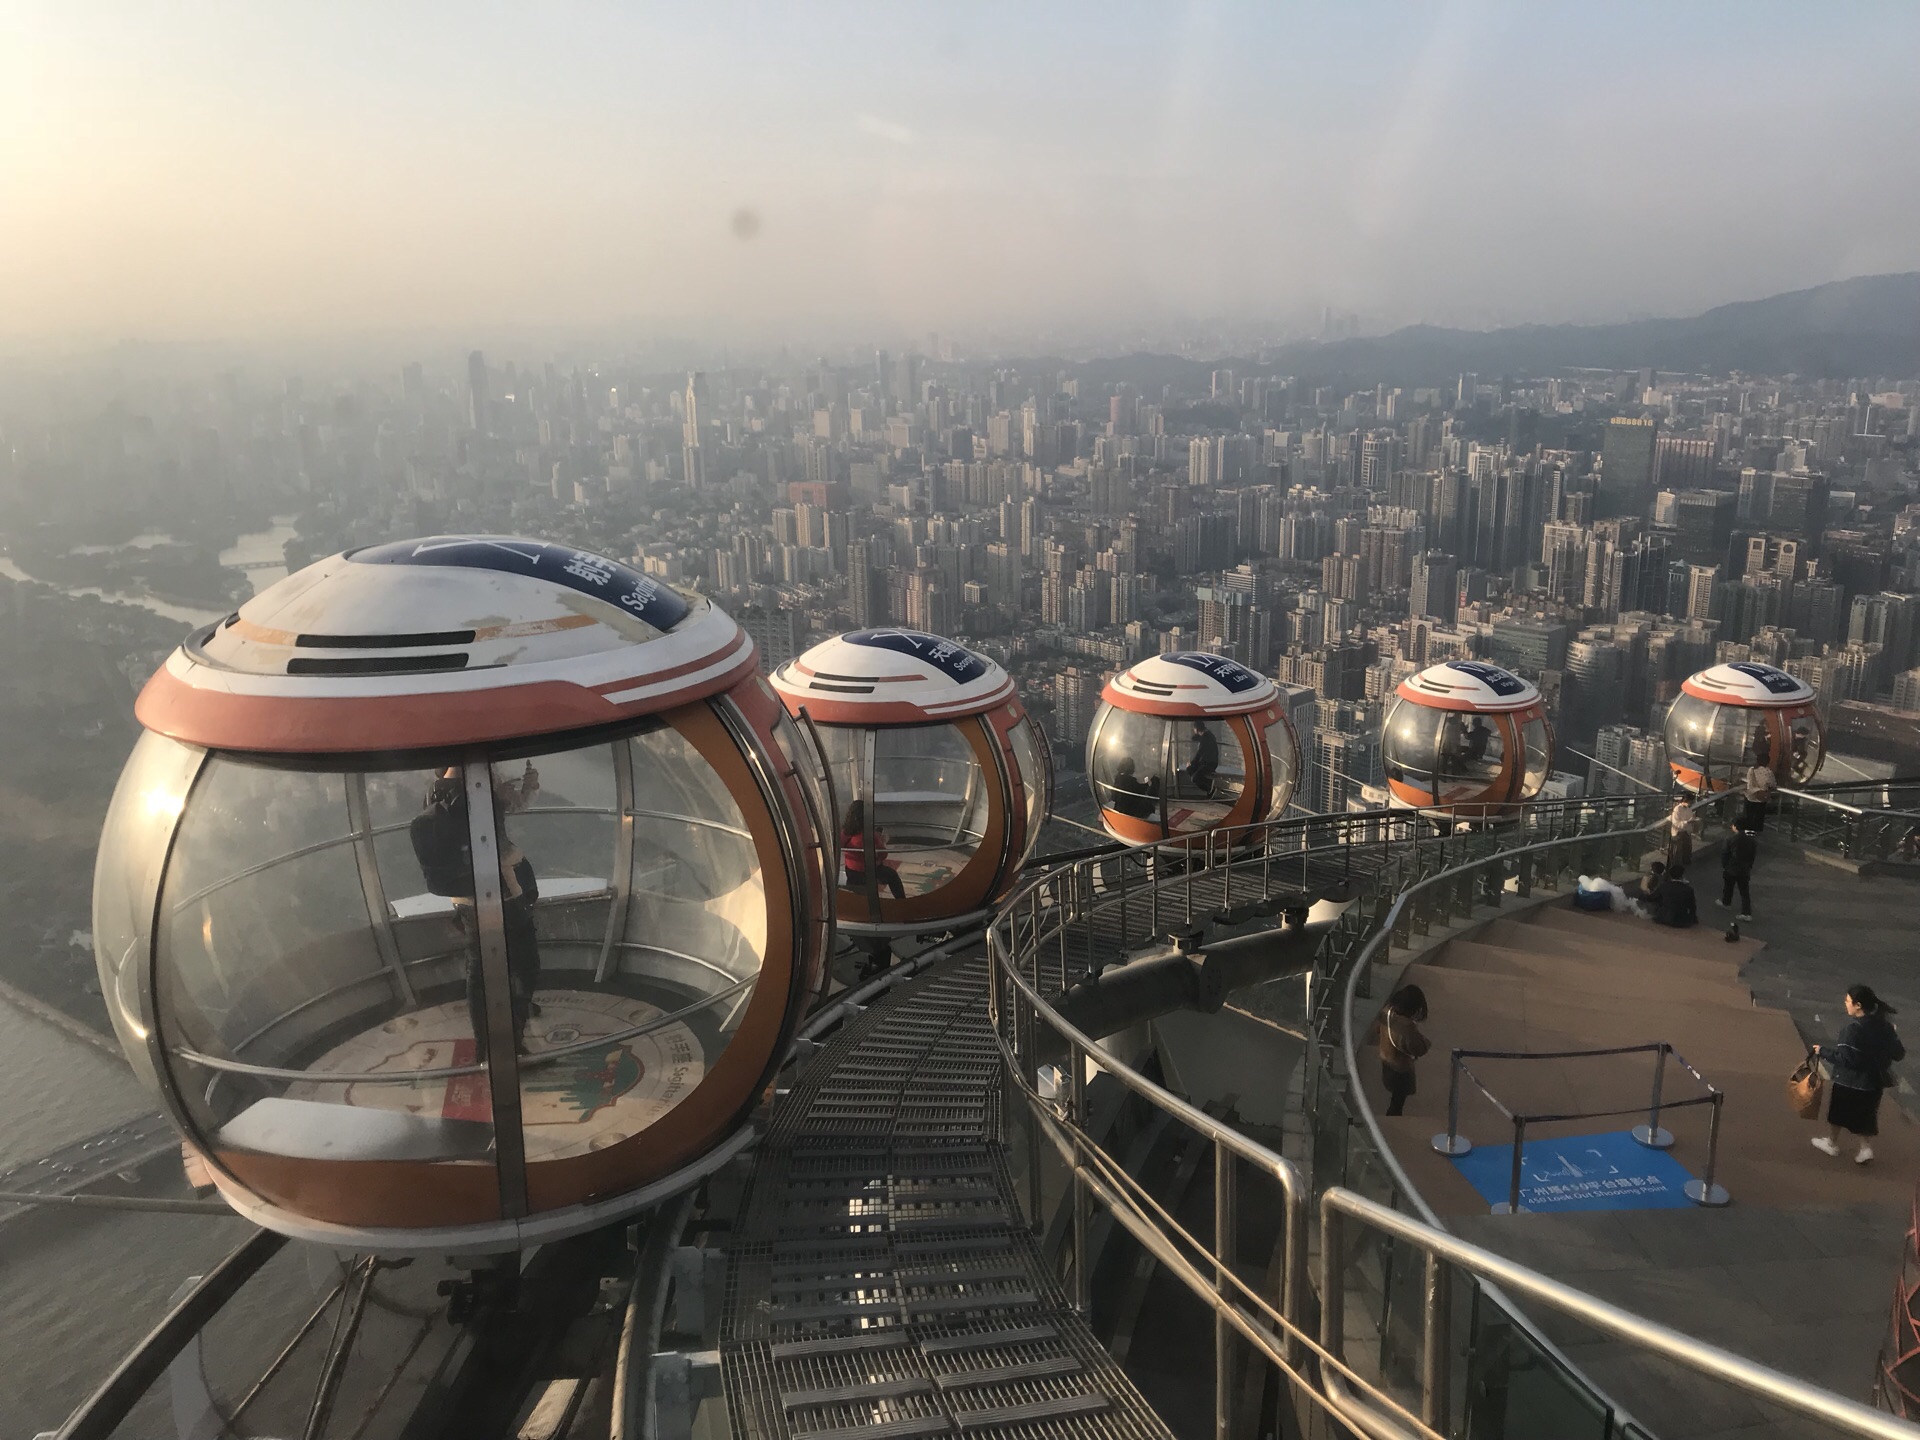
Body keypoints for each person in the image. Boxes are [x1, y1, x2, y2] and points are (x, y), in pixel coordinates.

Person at [1812, 986, 1905, 1164]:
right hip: (1874, 1082)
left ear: (1858, 1005)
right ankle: (1865, 1148)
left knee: (1837, 1113)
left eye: (1848, 1001)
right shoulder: (1886, 1027)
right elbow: (1899, 1054)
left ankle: (1832, 1143)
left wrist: (1822, 1051)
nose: (1845, 1004)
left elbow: (1846, 1059)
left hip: (1849, 1080)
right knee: (1865, 1117)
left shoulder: (1852, 1029)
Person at [1377, 985, 1431, 1117]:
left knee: (1396, 1098)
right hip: (1400, 1068)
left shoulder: (1387, 1013)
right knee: (1398, 1101)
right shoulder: (1407, 1028)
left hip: (1387, 1059)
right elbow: (1418, 1048)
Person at [841, 798, 905, 900]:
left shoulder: (844, 833)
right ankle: (901, 901)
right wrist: (882, 841)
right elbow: (882, 855)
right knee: (892, 876)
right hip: (868, 872)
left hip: (851, 871)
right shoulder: (869, 836)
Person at [1718, 818, 1757, 919]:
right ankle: (1746, 913)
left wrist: (1725, 866)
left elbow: (1725, 854)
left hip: (1732, 868)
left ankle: (1726, 903)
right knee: (1744, 891)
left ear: (1735, 827)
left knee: (1728, 886)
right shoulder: (1751, 841)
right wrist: (1749, 866)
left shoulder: (1730, 839)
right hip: (1744, 869)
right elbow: (1752, 856)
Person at [1648, 861, 1698, 928]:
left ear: (1671, 875)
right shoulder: (1688, 889)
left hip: (1664, 918)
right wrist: (1693, 918)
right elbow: (1692, 906)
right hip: (1681, 920)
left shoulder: (1664, 886)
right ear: (1682, 875)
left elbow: (1652, 898)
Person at [1741, 753, 1777, 833]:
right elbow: (1773, 784)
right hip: (1761, 797)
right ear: (1767, 762)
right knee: (1758, 816)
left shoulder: (1751, 769)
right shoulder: (1768, 772)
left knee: (1748, 815)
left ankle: (1747, 831)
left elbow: (1748, 781)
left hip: (1750, 795)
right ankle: (1755, 832)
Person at [1183, 721, 1220, 796]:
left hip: (1208, 763)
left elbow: (1199, 753)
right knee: (1189, 769)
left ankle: (1210, 789)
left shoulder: (1205, 739)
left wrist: (1192, 763)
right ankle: (1208, 785)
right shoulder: (1208, 735)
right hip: (1207, 762)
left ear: (1196, 729)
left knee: (1194, 778)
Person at [1665, 799, 1697, 871]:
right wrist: (1687, 822)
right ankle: (1675, 865)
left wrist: (1692, 821)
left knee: (1687, 847)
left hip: (1686, 831)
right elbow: (1676, 823)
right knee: (1677, 851)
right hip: (1678, 832)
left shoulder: (1689, 809)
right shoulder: (1677, 809)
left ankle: (1685, 862)